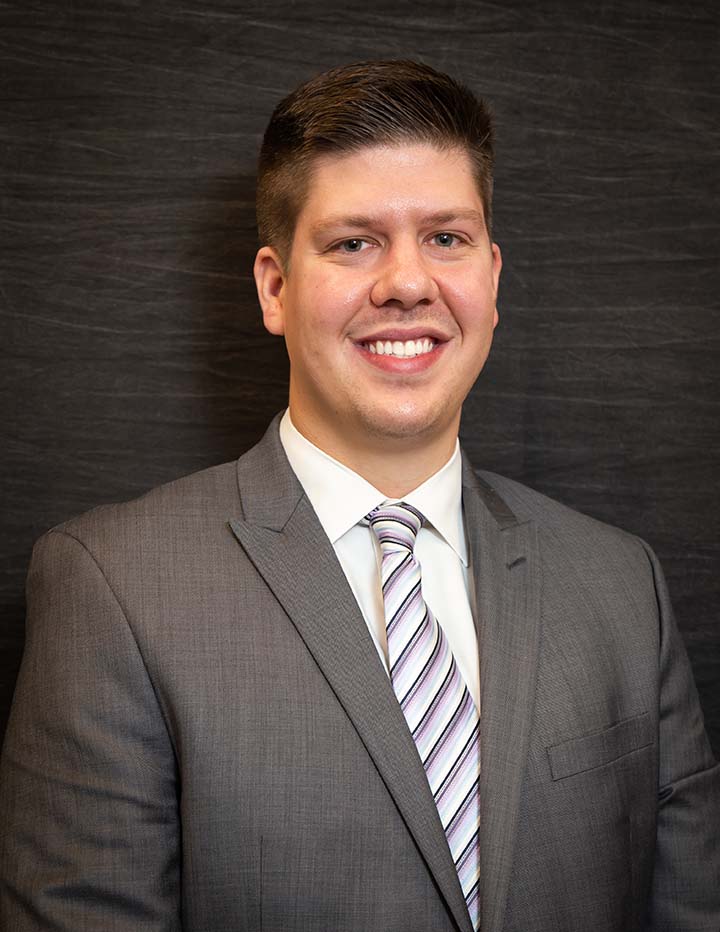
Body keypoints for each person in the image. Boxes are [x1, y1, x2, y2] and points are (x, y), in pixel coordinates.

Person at [0, 59, 718, 932]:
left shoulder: (620, 585)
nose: (407, 283)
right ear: (275, 287)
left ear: (491, 278)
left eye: (445, 238)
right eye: (353, 243)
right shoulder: (112, 587)